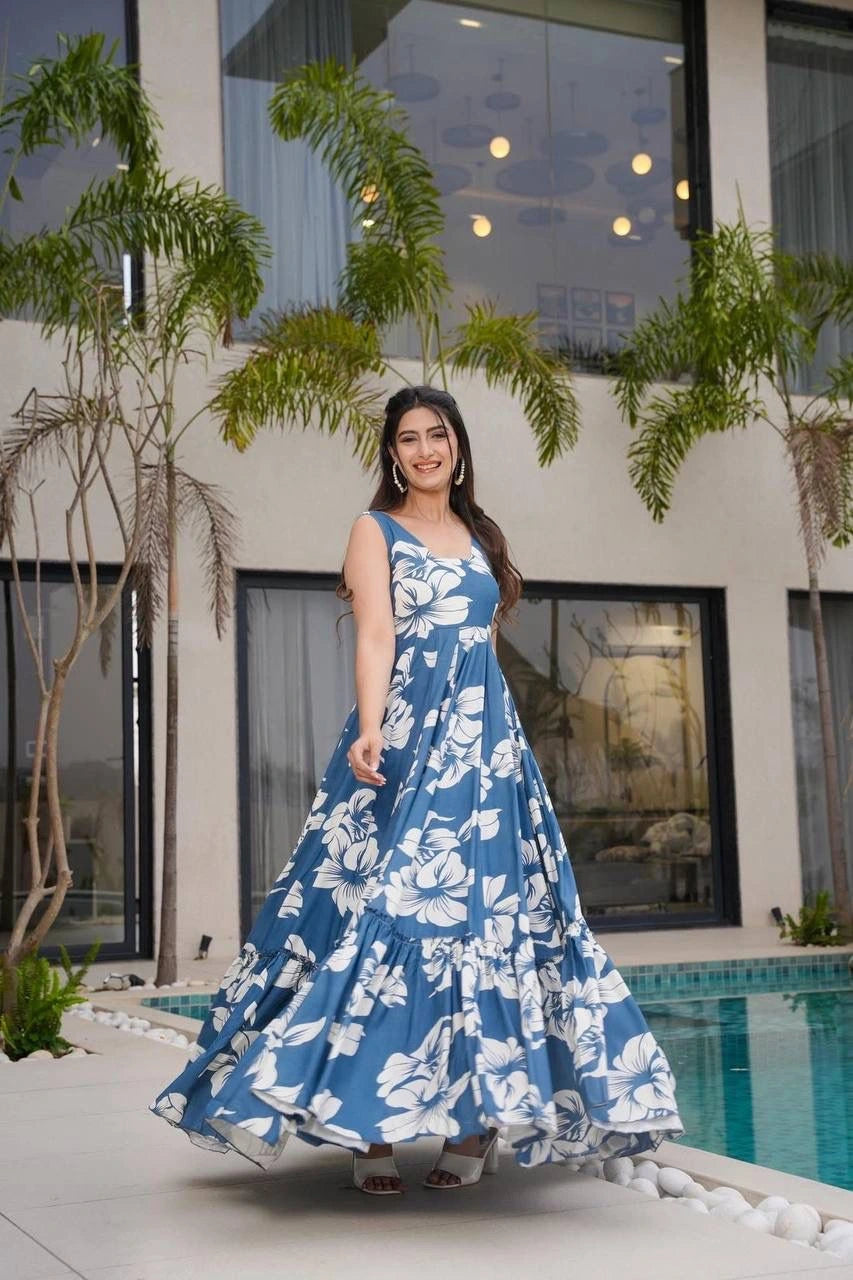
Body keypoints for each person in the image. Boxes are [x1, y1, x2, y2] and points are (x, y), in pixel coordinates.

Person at [150, 385, 683, 1195]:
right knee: (379, 912)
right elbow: (375, 635)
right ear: (392, 454)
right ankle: (367, 1132)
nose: (424, 449)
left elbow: (485, 652)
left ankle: (474, 1125)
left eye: (437, 434)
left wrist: (503, 749)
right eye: (408, 438)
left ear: (457, 446)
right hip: (403, 739)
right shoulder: (375, 530)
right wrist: (372, 729)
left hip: (486, 753)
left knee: (487, 918)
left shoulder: (480, 536)